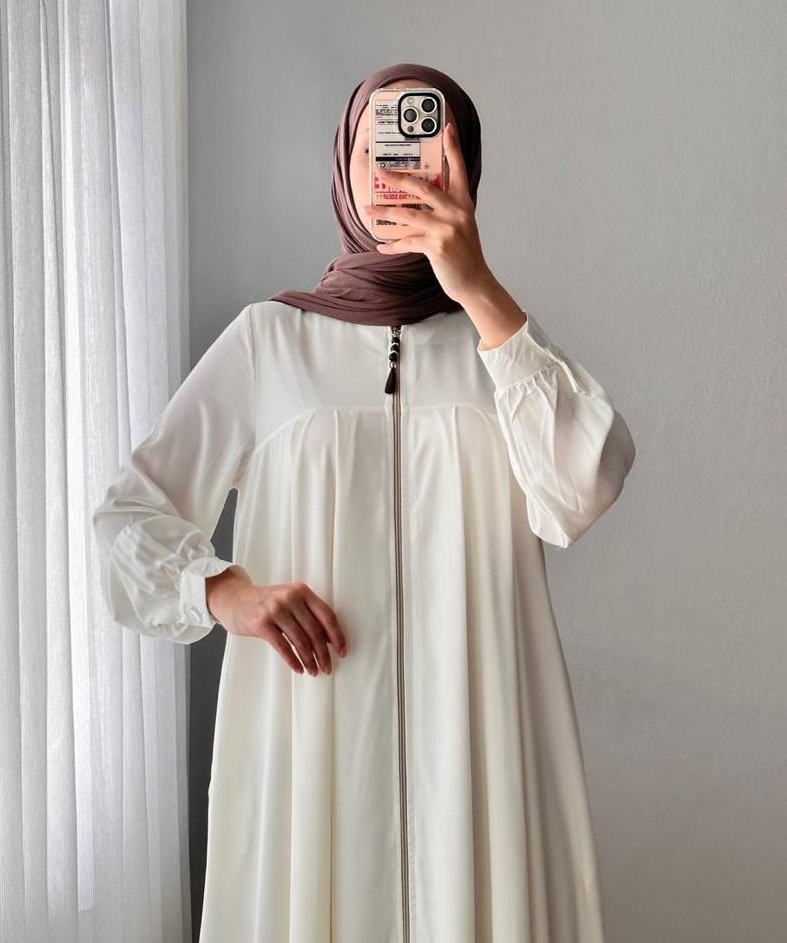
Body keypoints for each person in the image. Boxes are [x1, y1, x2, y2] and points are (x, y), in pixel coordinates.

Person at [92, 61, 636, 942]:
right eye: (375, 146)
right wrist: (224, 591)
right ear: (343, 165)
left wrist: (477, 287)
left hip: (479, 762)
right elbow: (129, 517)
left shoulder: (502, 348)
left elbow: (581, 489)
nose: (394, 171)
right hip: (308, 755)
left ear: (464, 170)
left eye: (421, 145)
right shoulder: (269, 341)